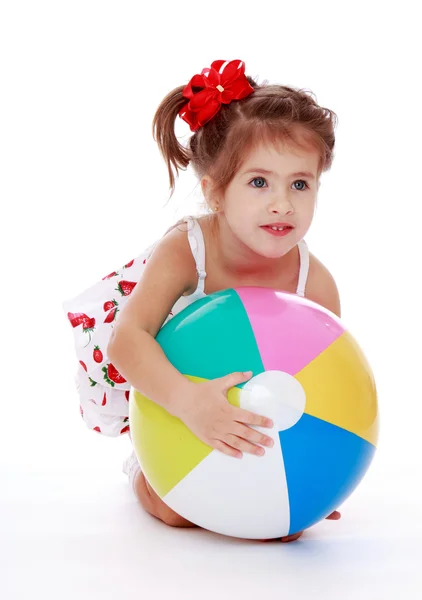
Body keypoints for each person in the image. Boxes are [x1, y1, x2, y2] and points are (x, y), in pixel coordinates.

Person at [63, 59, 342, 543]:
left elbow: (323, 380)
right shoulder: (186, 251)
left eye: (300, 183)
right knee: (175, 513)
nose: (283, 203)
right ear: (214, 192)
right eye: (259, 183)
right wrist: (188, 402)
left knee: (286, 529)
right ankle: (139, 465)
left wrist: (320, 473)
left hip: (257, 413)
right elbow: (128, 342)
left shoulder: (314, 283)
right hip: (171, 393)